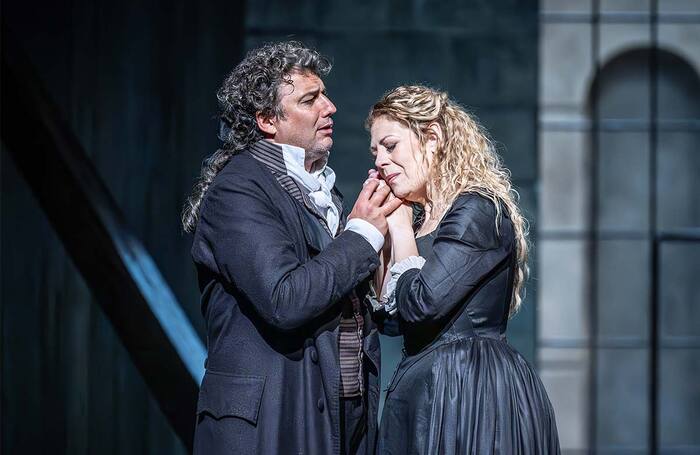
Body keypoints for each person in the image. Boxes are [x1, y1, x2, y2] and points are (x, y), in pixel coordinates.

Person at [182, 41, 401, 454]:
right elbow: (284, 298)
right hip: (273, 422)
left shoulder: (322, 190)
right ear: (267, 119)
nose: (330, 107)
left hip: (336, 415)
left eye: (325, 94)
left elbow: (334, 289)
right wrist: (362, 234)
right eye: (310, 99)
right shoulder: (239, 188)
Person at [367, 85, 560, 454]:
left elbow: (421, 304)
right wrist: (387, 231)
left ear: (433, 137)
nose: (380, 161)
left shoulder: (476, 209)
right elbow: (392, 319)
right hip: (427, 390)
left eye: (390, 146)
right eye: (375, 151)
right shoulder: (421, 220)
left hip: (469, 392)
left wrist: (402, 229)